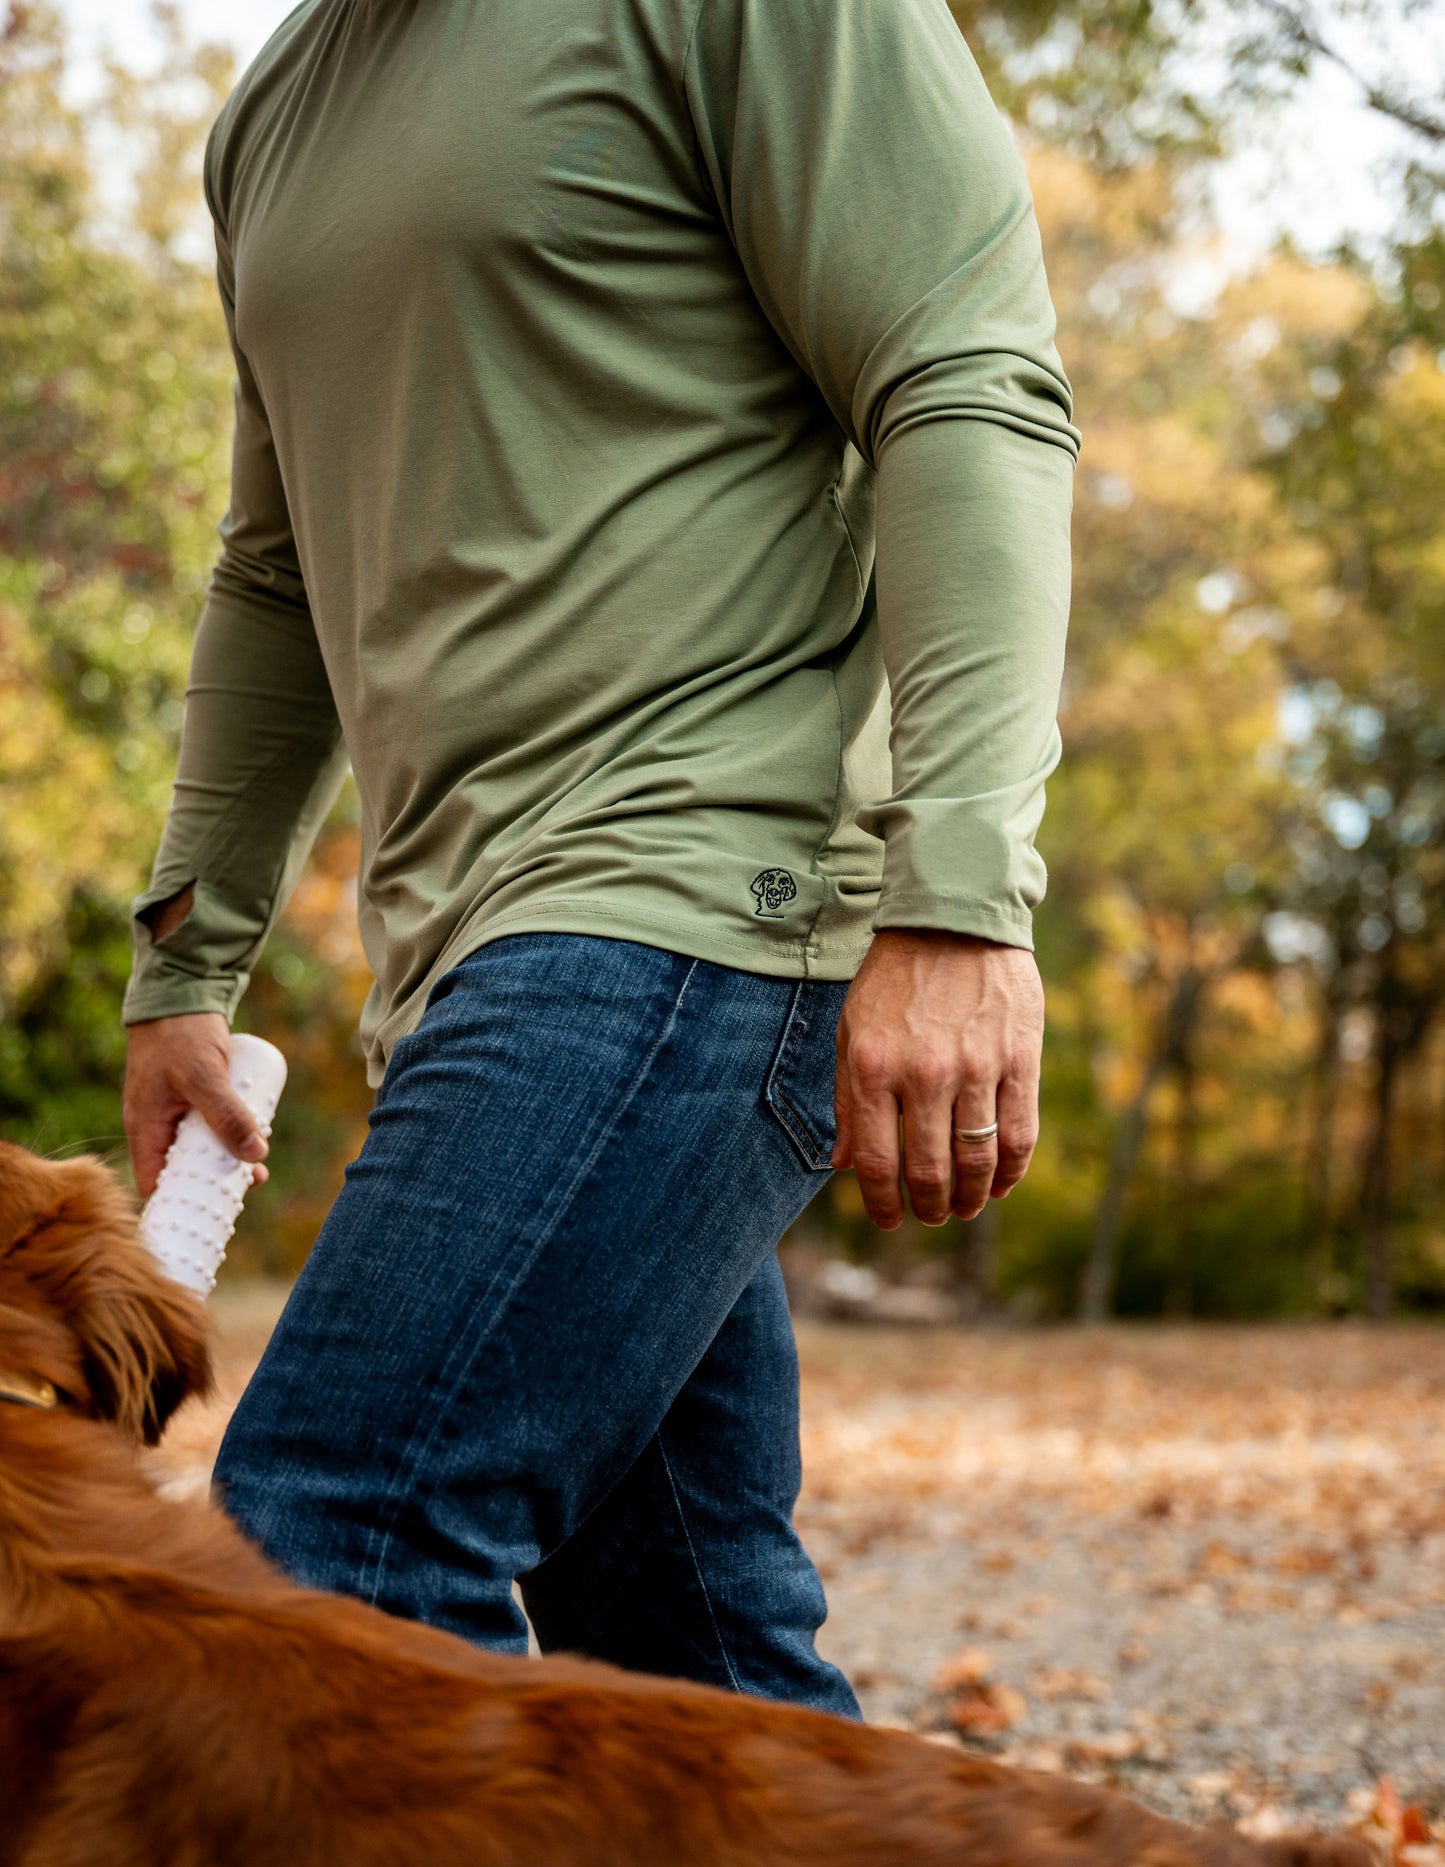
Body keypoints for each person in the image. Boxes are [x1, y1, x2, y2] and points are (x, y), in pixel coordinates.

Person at [122, 0, 1077, 1718]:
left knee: (336, 1543)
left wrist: (957, 895)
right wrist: (185, 966)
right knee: (691, 1671)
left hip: (696, 890)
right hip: (469, 940)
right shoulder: (273, 104)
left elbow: (967, 381)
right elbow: (274, 574)